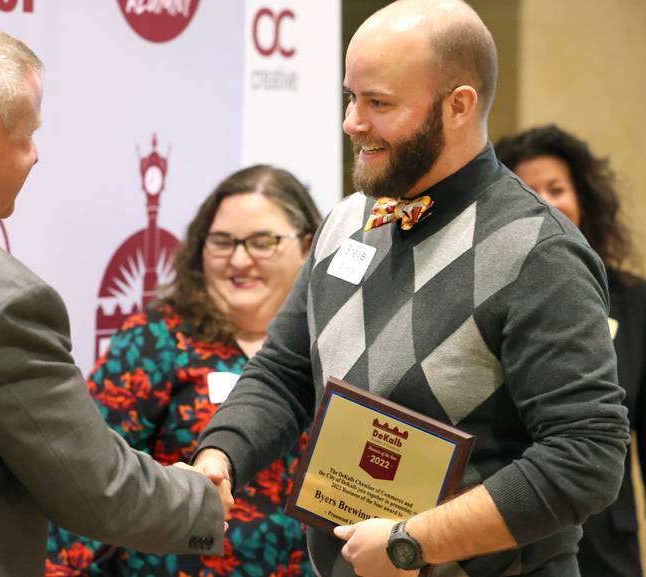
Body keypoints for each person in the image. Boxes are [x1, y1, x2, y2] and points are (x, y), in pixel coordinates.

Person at [192, 1, 630, 576]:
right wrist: (220, 456)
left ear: (458, 106)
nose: (352, 121)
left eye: (379, 103)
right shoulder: (349, 220)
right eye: (350, 97)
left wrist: (411, 541)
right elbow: (285, 372)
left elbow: (587, 456)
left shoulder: (538, 253)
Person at [0, 22, 231, 577]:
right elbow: (98, 489)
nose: (34, 157)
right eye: (28, 137)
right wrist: (201, 501)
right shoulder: (0, 301)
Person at [46, 165, 321, 577]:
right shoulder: (154, 341)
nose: (240, 259)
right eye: (223, 242)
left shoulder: (334, 344)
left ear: (307, 247)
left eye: (262, 242)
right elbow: (89, 477)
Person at [496, 124, 646, 577]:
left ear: (584, 199)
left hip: (605, 542)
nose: (543, 201)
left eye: (556, 188)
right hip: (513, 532)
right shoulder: (493, 298)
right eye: (527, 189)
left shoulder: (634, 299)